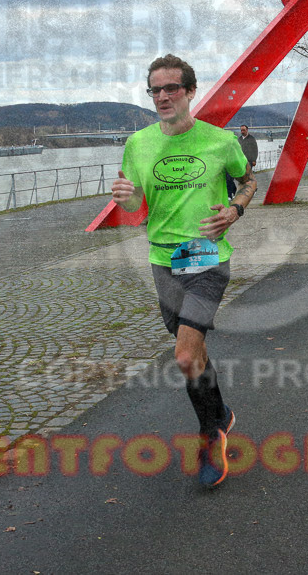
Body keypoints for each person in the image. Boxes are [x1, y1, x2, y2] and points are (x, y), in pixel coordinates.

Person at [111, 54, 256, 486]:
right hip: (163, 261)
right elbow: (138, 205)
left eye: (172, 87)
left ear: (190, 91)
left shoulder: (220, 141)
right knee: (196, 354)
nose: (163, 96)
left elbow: (249, 181)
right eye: (155, 89)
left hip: (207, 257)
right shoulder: (138, 145)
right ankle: (222, 412)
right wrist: (126, 199)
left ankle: (209, 436)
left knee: (185, 355)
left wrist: (234, 210)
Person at [227, 124, 258, 199]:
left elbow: (255, 149)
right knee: (239, 177)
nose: (242, 131)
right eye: (241, 130)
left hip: (249, 160)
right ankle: (235, 192)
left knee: (248, 176)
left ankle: (253, 189)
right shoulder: (239, 139)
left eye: (243, 130)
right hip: (240, 160)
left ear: (247, 130)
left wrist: (254, 159)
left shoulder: (251, 139)